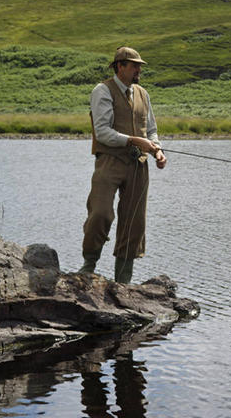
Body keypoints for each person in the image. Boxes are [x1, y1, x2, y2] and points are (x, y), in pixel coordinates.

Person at [80, 46, 167, 283]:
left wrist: (158, 151)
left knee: (134, 223)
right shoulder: (102, 91)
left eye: (139, 65)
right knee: (100, 213)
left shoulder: (143, 94)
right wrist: (133, 140)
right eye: (134, 65)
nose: (139, 69)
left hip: (138, 166)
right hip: (109, 161)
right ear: (120, 66)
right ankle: (88, 267)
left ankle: (123, 282)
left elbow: (151, 130)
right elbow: (103, 132)